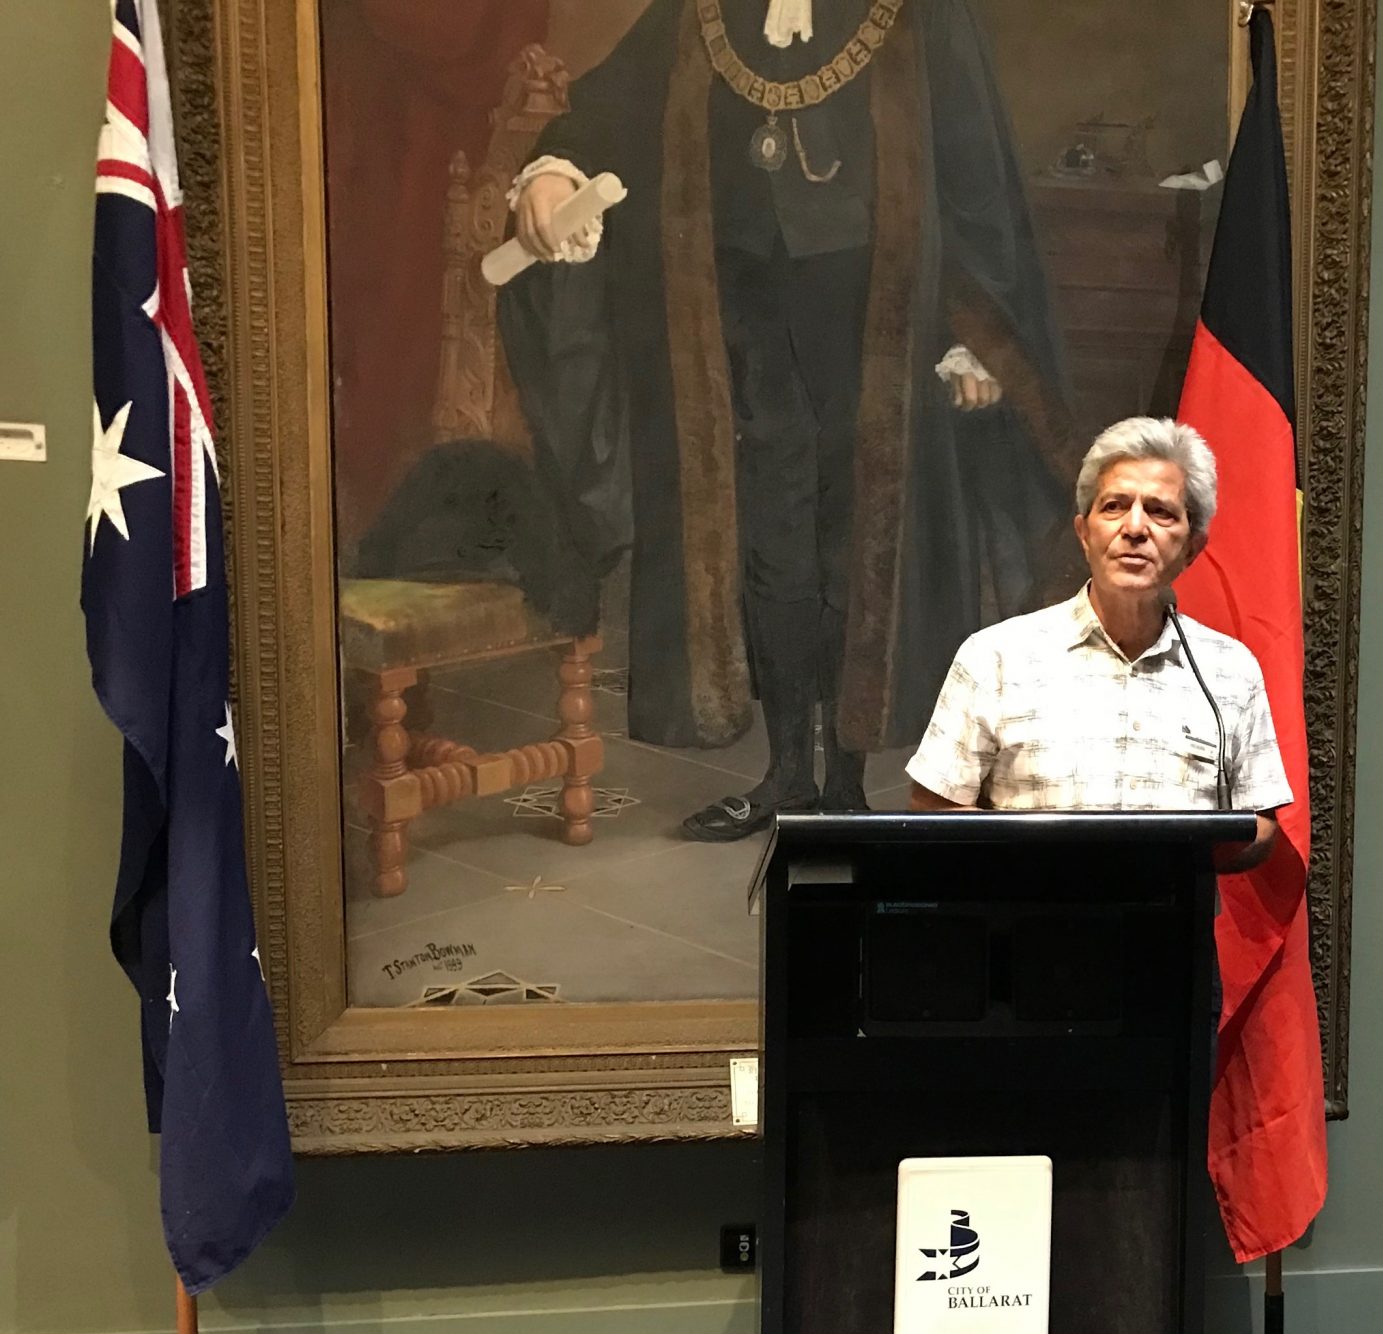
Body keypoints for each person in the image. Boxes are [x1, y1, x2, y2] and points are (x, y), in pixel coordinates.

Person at [498, 0, 1074, 839]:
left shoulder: (920, 11)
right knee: (772, 540)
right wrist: (555, 168)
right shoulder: (704, 8)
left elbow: (973, 167)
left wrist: (975, 340)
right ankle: (787, 775)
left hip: (876, 320)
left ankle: (846, 786)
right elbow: (613, 103)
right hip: (741, 314)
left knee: (856, 542)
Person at [906, 417, 1286, 874]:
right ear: (1084, 533)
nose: (1135, 527)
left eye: (1160, 512)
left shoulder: (1231, 670)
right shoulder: (995, 657)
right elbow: (933, 808)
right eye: (1114, 506)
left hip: (1172, 915)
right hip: (1031, 912)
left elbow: (1260, 822)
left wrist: (1166, 860)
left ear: (1192, 547)